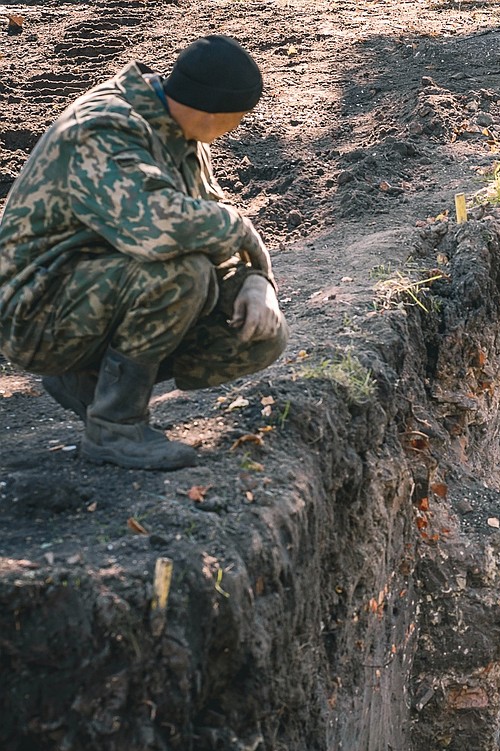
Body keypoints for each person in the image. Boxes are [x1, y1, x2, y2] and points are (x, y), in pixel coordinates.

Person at [0, 35, 287, 470]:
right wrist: (240, 231)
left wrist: (255, 279)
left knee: (260, 332)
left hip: (92, 289)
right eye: (237, 119)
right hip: (34, 310)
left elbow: (208, 215)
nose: (237, 127)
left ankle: (86, 379)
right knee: (182, 273)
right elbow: (159, 230)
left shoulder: (177, 127)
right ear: (213, 113)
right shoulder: (103, 128)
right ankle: (115, 428)